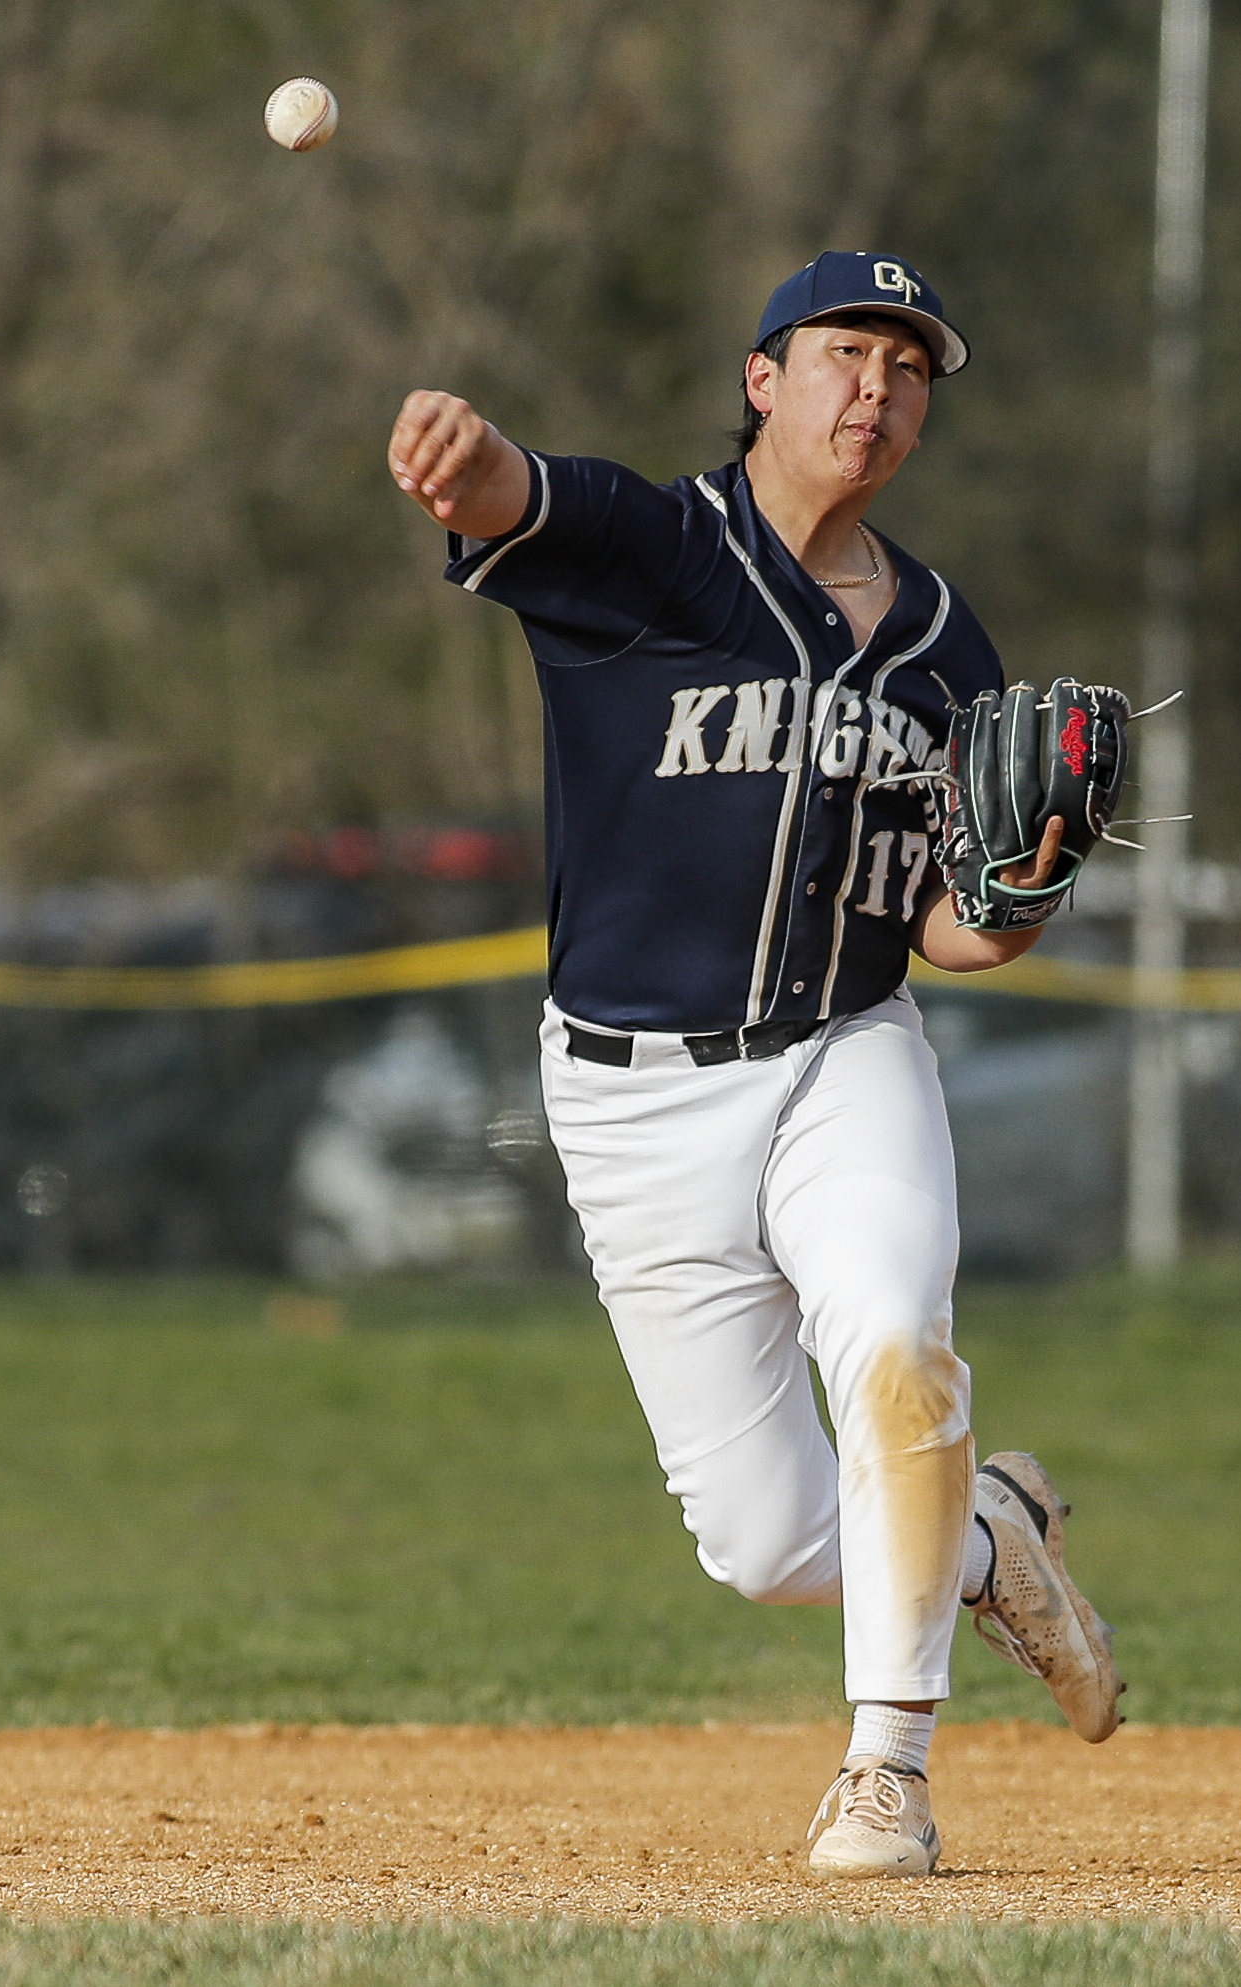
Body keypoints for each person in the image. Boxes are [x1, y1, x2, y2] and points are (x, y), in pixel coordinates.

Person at [385, 252, 1122, 1879]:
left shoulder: (944, 645)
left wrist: (1018, 899)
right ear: (761, 379)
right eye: (844, 352)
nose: (876, 388)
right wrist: (462, 450)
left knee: (894, 1345)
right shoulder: (653, 554)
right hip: (634, 1096)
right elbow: (519, 498)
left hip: (844, 1055)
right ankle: (995, 1539)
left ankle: (887, 1778)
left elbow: (947, 927)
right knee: (776, 1543)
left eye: (908, 367)